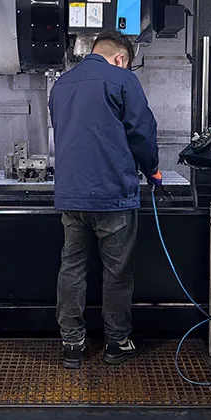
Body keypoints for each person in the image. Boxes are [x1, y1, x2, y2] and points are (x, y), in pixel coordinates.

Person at [49, 29, 163, 369]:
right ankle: (117, 342)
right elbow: (142, 131)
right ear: (121, 58)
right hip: (113, 195)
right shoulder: (123, 80)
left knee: (72, 268)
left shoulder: (61, 84)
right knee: (117, 272)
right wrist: (152, 169)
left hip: (71, 197)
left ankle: (72, 344)